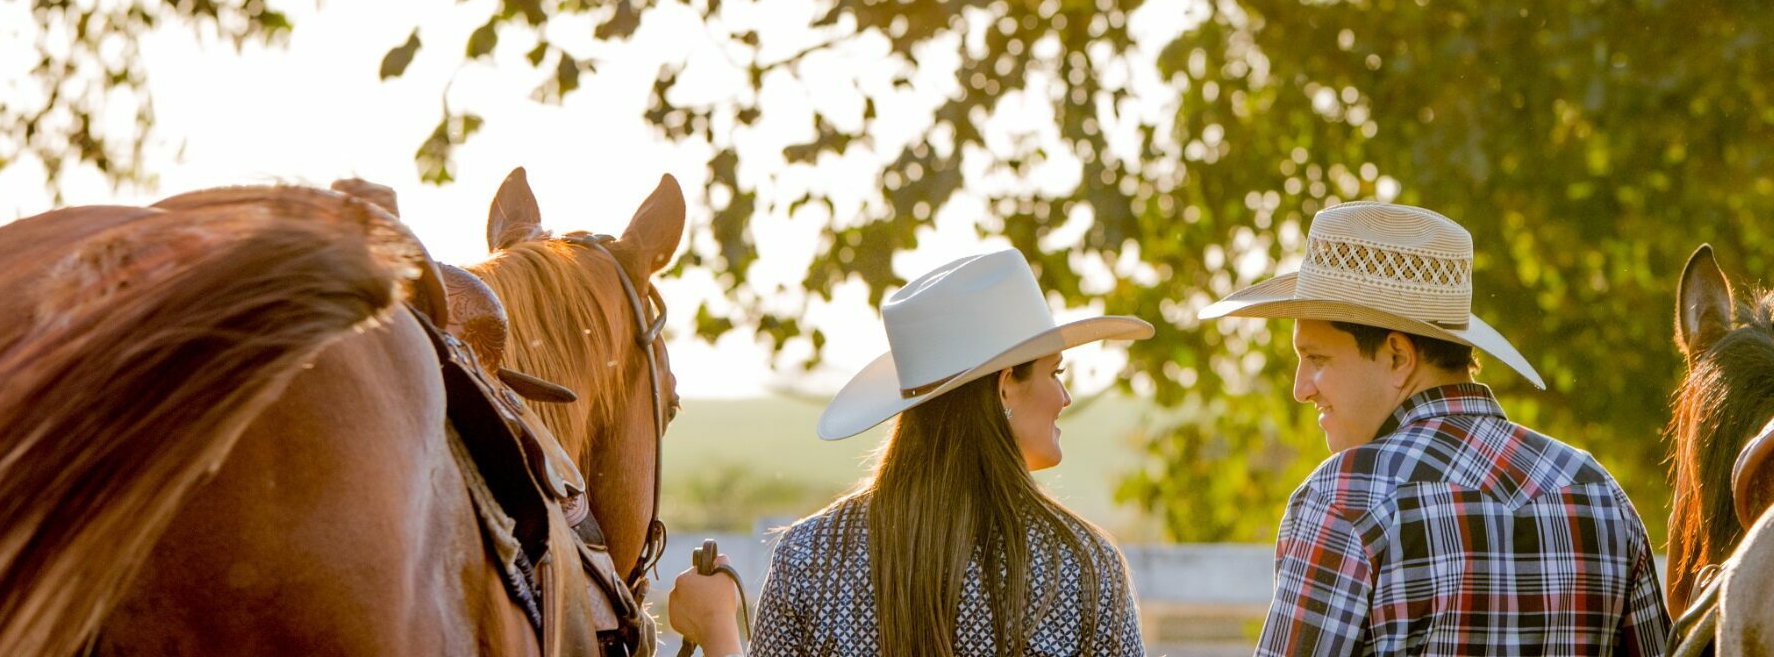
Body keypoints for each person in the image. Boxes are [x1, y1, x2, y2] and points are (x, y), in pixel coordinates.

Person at [1202, 202, 1671, 656]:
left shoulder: (1346, 499)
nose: (1301, 389)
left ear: (1397, 358)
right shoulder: (1598, 494)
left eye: (1318, 359)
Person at [667, 247, 1151, 657]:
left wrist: (716, 627)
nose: (1064, 398)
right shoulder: (1084, 567)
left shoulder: (810, 559)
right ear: (1006, 387)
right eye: (1055, 373)